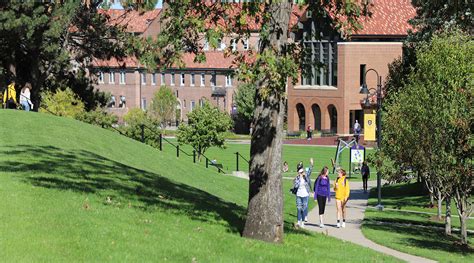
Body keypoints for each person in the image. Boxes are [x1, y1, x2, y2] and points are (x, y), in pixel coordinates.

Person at [303, 157, 314, 222]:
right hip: (300, 193)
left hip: (306, 192)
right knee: (301, 205)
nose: (304, 173)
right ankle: (302, 216)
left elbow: (309, 171)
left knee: (306, 204)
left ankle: (305, 216)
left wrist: (311, 164)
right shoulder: (299, 177)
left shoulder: (307, 176)